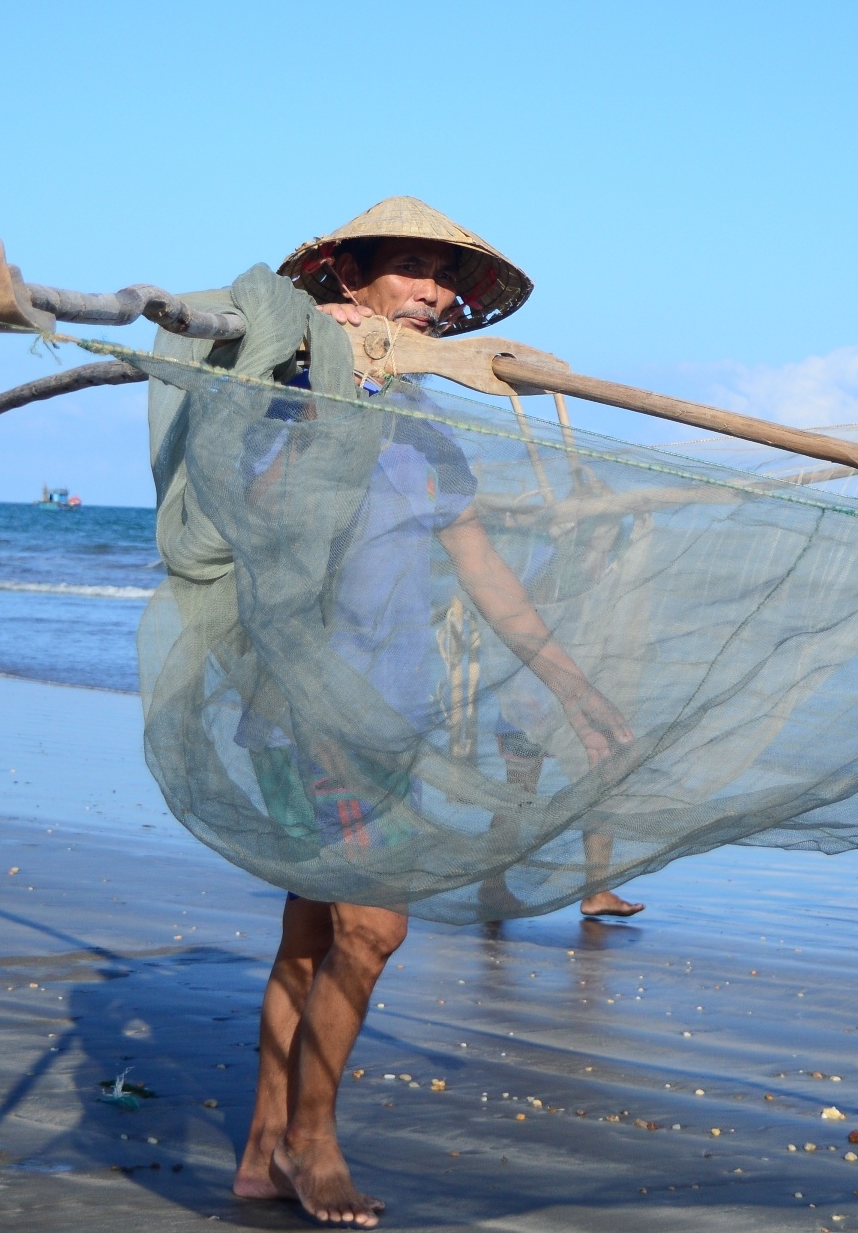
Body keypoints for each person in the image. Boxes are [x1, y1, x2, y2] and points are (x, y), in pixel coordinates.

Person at [227, 201, 637, 1226]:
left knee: (313, 936)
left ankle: (258, 1146)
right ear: (349, 286)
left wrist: (579, 692)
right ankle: (311, 1145)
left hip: (392, 719)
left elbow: (489, 578)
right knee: (374, 929)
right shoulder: (281, 400)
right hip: (306, 711)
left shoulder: (430, 435)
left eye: (444, 281)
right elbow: (260, 516)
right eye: (412, 270)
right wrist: (339, 390)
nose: (436, 293)